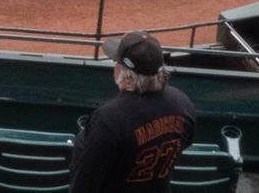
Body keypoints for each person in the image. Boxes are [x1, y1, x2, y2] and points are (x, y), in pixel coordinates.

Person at [68, 32, 196, 193]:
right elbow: (185, 144)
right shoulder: (182, 103)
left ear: (122, 72)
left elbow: (84, 185)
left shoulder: (108, 118)